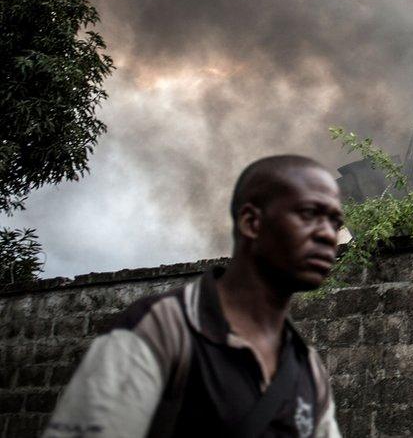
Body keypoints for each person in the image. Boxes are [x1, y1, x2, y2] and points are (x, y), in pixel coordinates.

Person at [43, 155, 344, 438]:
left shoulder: (307, 369)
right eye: (309, 214)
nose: (328, 234)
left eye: (335, 222)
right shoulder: (160, 331)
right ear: (252, 222)